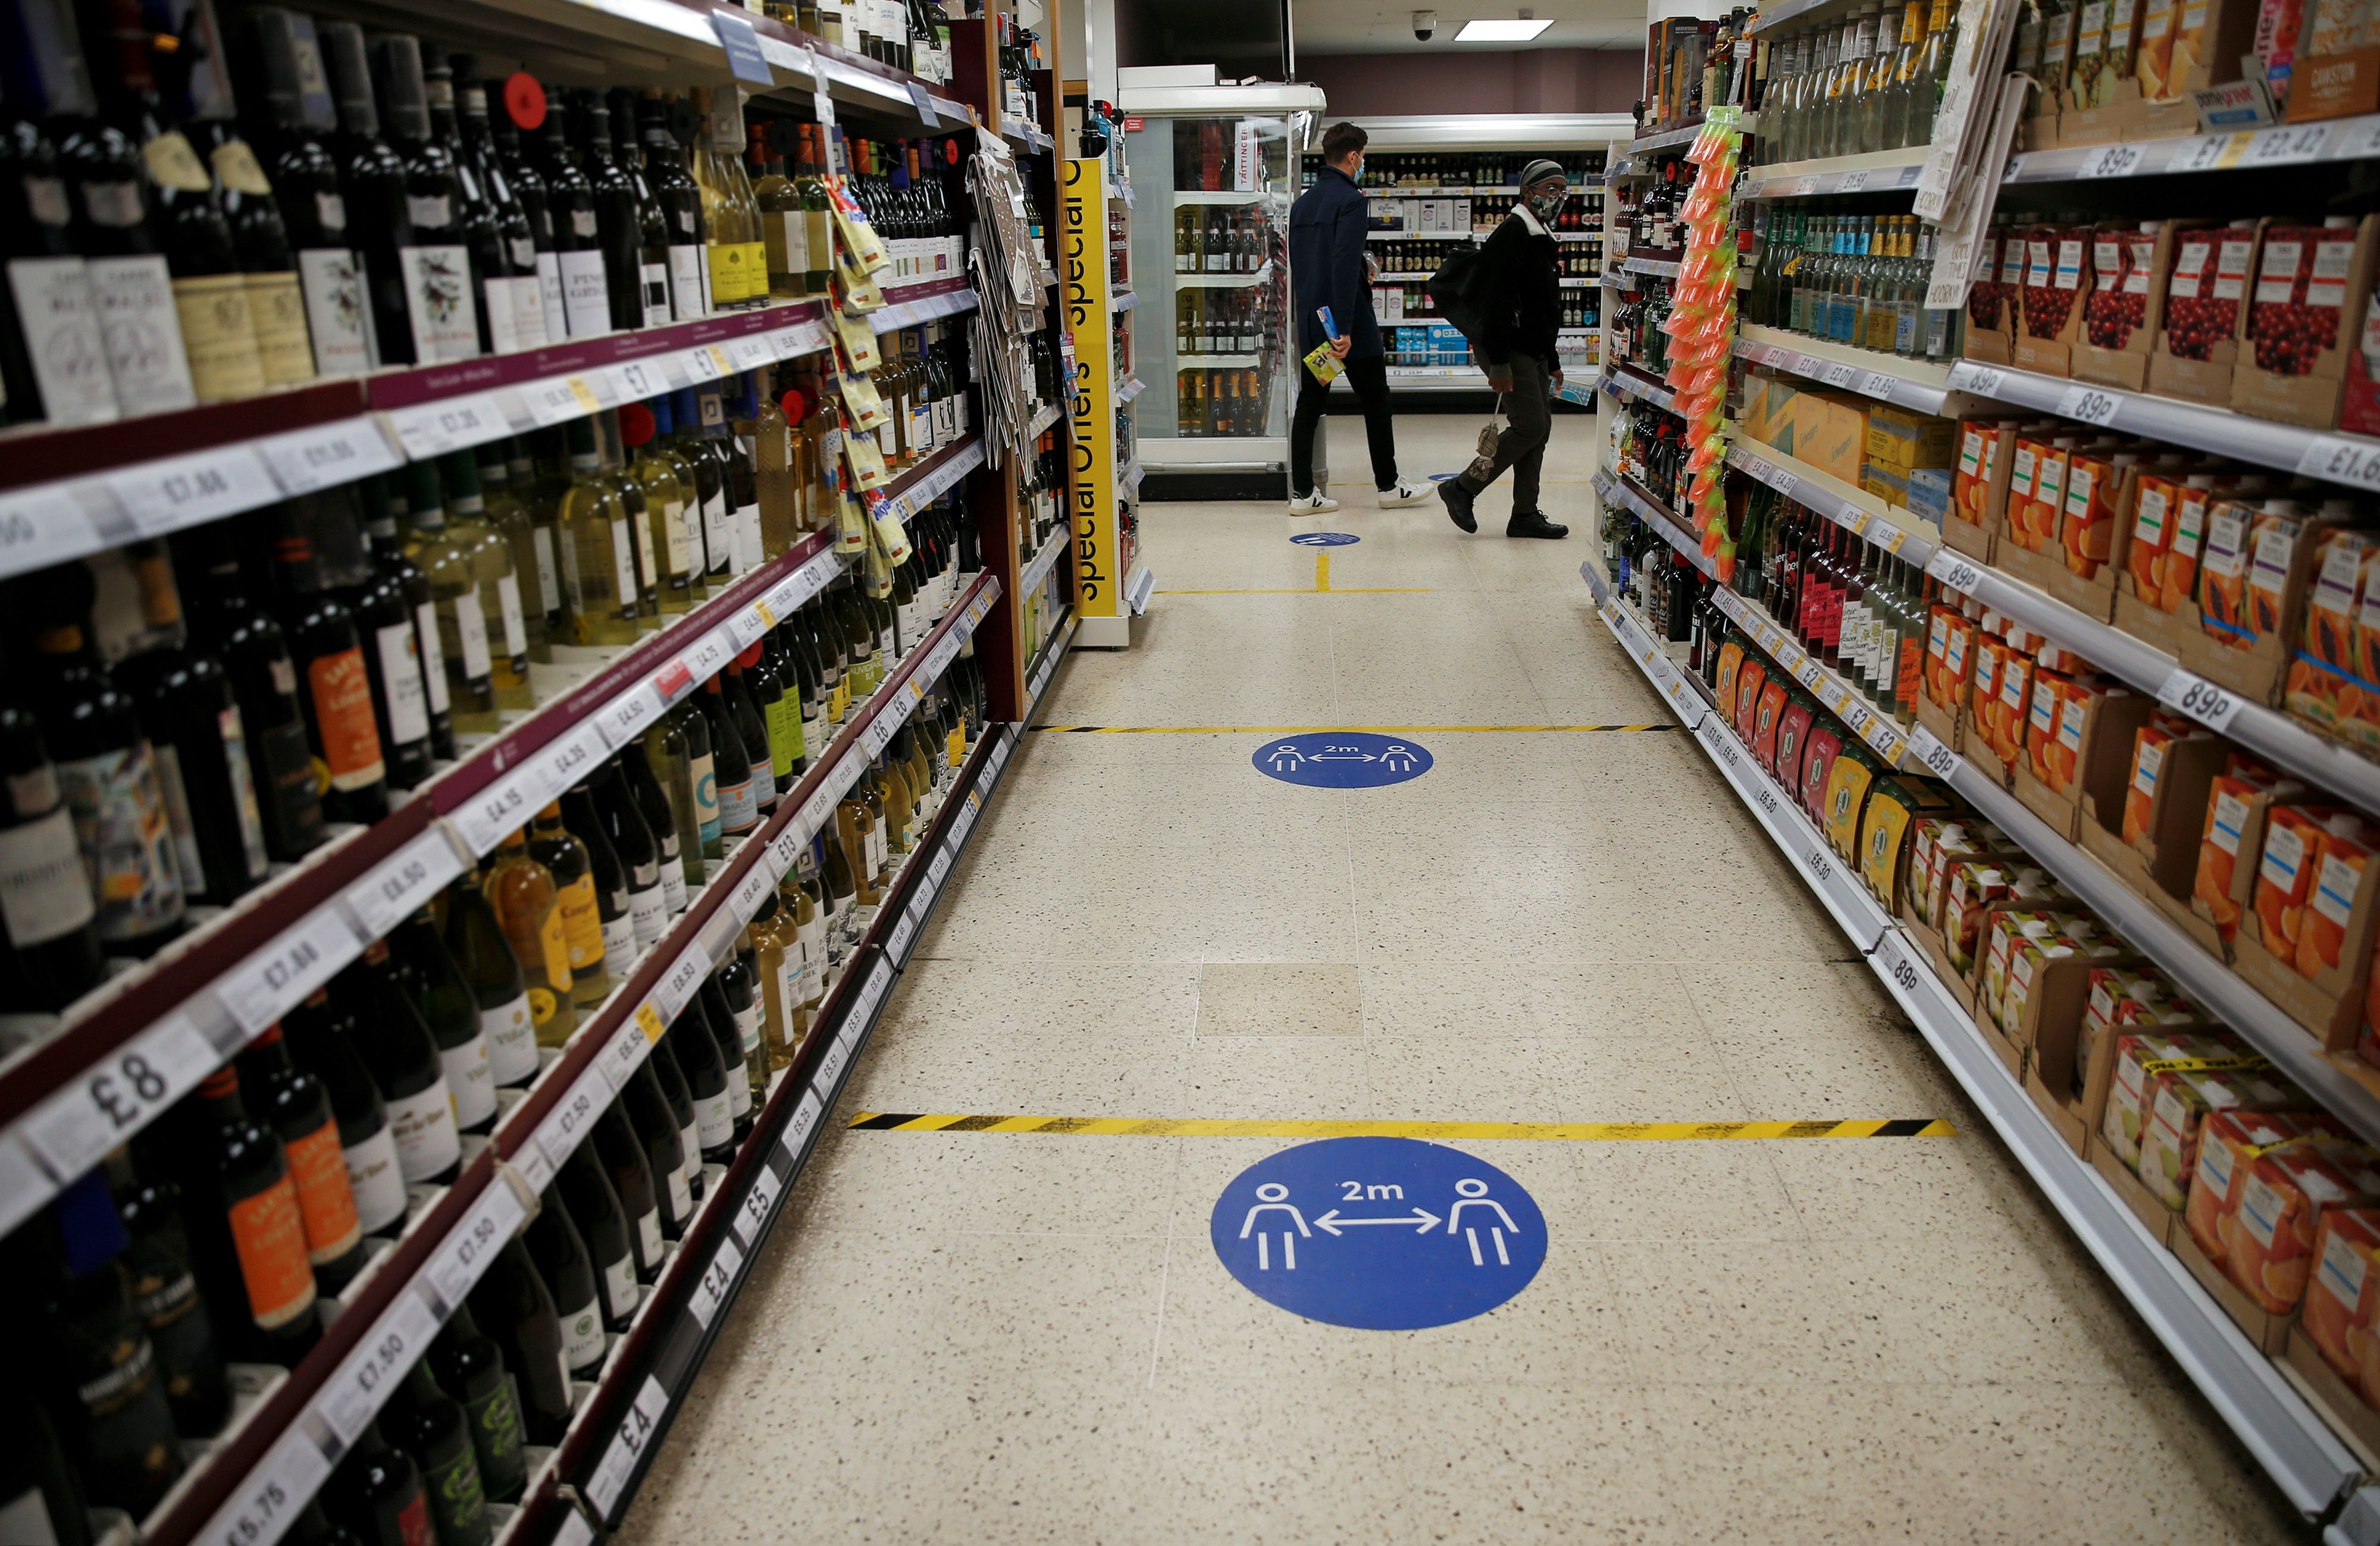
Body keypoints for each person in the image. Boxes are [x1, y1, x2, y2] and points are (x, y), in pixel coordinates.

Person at [1286, 121, 1429, 516]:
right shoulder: (1351, 200)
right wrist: (1345, 329)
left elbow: (1310, 264)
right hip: (1349, 328)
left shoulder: (1303, 205)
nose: (1363, 161)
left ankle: (1303, 494)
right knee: (1376, 401)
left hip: (1315, 324)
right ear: (1352, 156)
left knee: (1310, 405)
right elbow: (1342, 264)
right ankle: (1389, 485)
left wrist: (1325, 325)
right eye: (1362, 155)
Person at [1439, 158, 1571, 541]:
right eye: (1550, 189)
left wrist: (1554, 359)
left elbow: (1543, 307)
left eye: (1563, 191)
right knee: (1531, 425)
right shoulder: (1514, 233)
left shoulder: (1540, 234)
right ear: (1528, 192)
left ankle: (1525, 514)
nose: (1557, 197)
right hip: (1509, 349)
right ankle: (1462, 488)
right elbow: (1496, 303)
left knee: (1538, 430)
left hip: (1533, 348)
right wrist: (1498, 361)